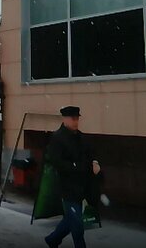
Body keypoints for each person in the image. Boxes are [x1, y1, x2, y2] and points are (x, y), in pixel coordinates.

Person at [44, 106, 102, 248]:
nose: (76, 122)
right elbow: (57, 162)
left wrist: (94, 162)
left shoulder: (80, 137)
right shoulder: (57, 138)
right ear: (64, 119)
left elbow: (91, 152)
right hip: (67, 187)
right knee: (77, 224)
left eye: (77, 119)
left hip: (82, 186)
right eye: (73, 119)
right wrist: (75, 167)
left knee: (71, 219)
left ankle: (52, 239)